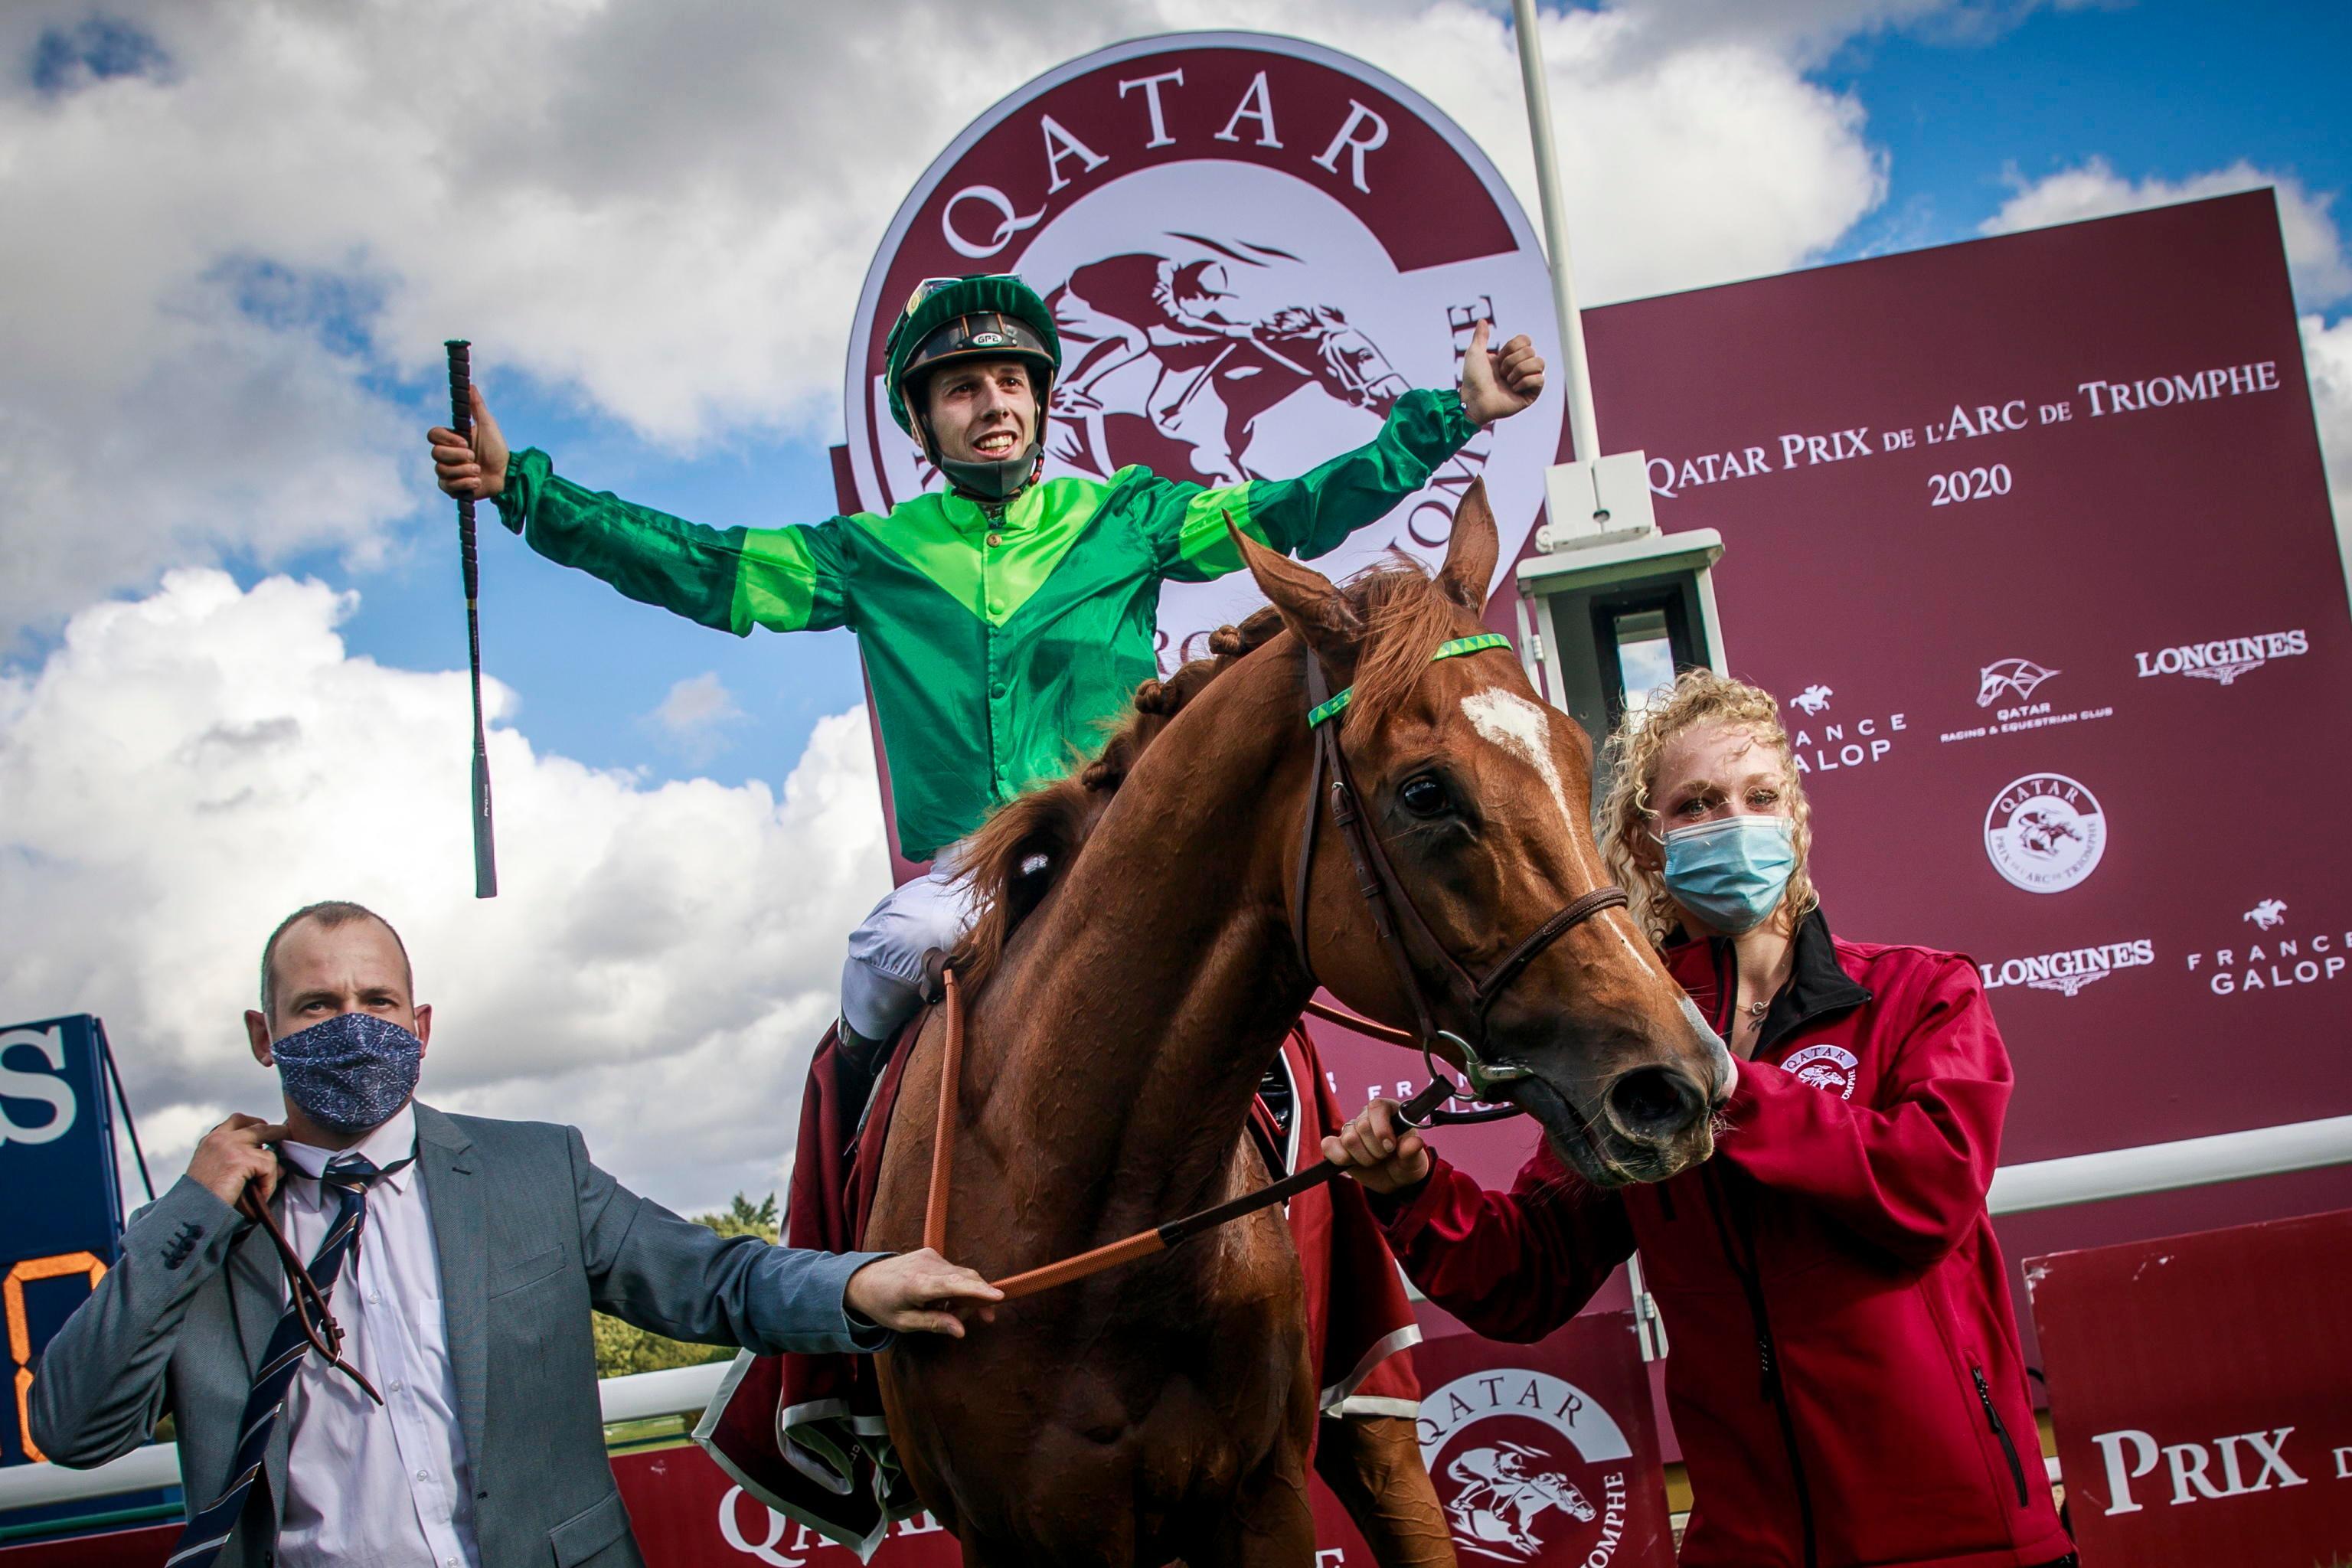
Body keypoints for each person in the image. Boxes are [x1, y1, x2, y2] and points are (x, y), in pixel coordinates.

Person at [426, 272, 1544, 1073]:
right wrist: (526, 490)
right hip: (968, 880)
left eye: (1012, 380)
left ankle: (1358, 1329)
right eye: (962, 388)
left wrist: (1452, 417)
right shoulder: (871, 558)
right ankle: (832, 1310)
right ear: (924, 419)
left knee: (1272, 1020)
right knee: (885, 955)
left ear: (1044, 400)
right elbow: (698, 563)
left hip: (1125, 845)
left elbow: (1300, 505)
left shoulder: (1130, 517)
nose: (993, 403)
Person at [1322, 671, 2077, 1568]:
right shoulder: (1631, 1047)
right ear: (1646, 844)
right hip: (1748, 1545)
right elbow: (1532, 1274)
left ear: (1795, 820)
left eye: (1761, 797)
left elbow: (1931, 1191)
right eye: (1698, 804)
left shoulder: (1920, 991)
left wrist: (1729, 1087)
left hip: (1962, 1535)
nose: (1736, 821)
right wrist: (1413, 1189)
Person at [30, 900, 999, 1568]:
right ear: (262, 1033)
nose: (353, 1024)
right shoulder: (202, 1228)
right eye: (318, 1005)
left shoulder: (536, 1169)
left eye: (377, 1001)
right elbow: (75, 1429)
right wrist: (191, 1210)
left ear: (422, 1023)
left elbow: (715, 1278)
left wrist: (857, 1286)